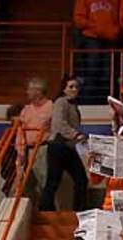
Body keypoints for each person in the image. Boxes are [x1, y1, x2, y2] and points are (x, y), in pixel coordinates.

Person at [39, 77, 88, 213]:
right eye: (71, 87)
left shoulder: (73, 105)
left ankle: (79, 210)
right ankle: (45, 209)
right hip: (58, 146)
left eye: (76, 87)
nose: (74, 90)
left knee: (80, 179)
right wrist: (75, 134)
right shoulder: (61, 102)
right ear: (64, 89)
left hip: (68, 147)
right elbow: (60, 124)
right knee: (54, 180)